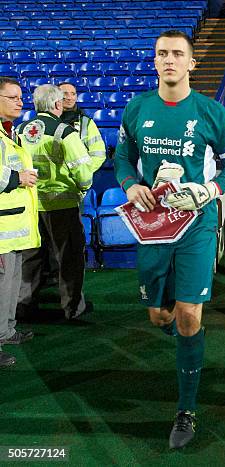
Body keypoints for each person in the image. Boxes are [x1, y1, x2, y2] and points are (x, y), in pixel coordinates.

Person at [114, 30, 225, 449]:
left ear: (191, 63)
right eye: (161, 54)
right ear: (154, 61)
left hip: (196, 224)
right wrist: (130, 184)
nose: (168, 60)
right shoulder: (137, 108)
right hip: (152, 226)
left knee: (189, 313)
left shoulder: (211, 113)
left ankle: (185, 410)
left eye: (177, 54)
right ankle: (188, 341)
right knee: (162, 317)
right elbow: (121, 157)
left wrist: (208, 191)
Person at [16, 84, 94, 320]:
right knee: (69, 258)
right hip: (62, 205)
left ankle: (24, 307)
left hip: (30, 206)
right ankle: (72, 308)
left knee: (31, 259)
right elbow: (83, 172)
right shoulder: (65, 131)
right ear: (58, 104)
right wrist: (82, 189)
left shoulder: (19, 130)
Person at [0, 77, 39, 367]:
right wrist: (18, 178)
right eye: (12, 97)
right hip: (2, 227)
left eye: (20, 96)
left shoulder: (10, 133)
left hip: (12, 228)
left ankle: (6, 330)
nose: (20, 101)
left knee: (11, 283)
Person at [58, 82, 106, 172]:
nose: (69, 98)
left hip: (79, 178)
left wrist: (83, 172)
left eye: (73, 94)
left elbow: (98, 154)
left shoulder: (87, 122)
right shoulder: (48, 121)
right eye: (64, 94)